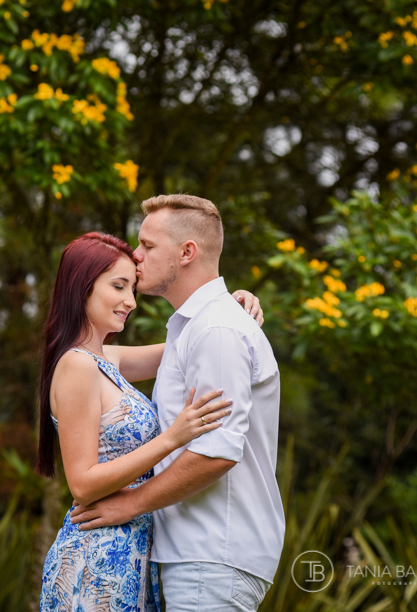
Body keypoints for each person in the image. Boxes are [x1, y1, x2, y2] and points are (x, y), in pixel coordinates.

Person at [70, 195, 284, 611]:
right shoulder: (197, 329)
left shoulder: (216, 330)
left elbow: (216, 453)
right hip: (198, 556)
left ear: (188, 252)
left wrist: (132, 503)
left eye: (148, 246)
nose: (136, 256)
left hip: (212, 553)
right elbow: (89, 356)